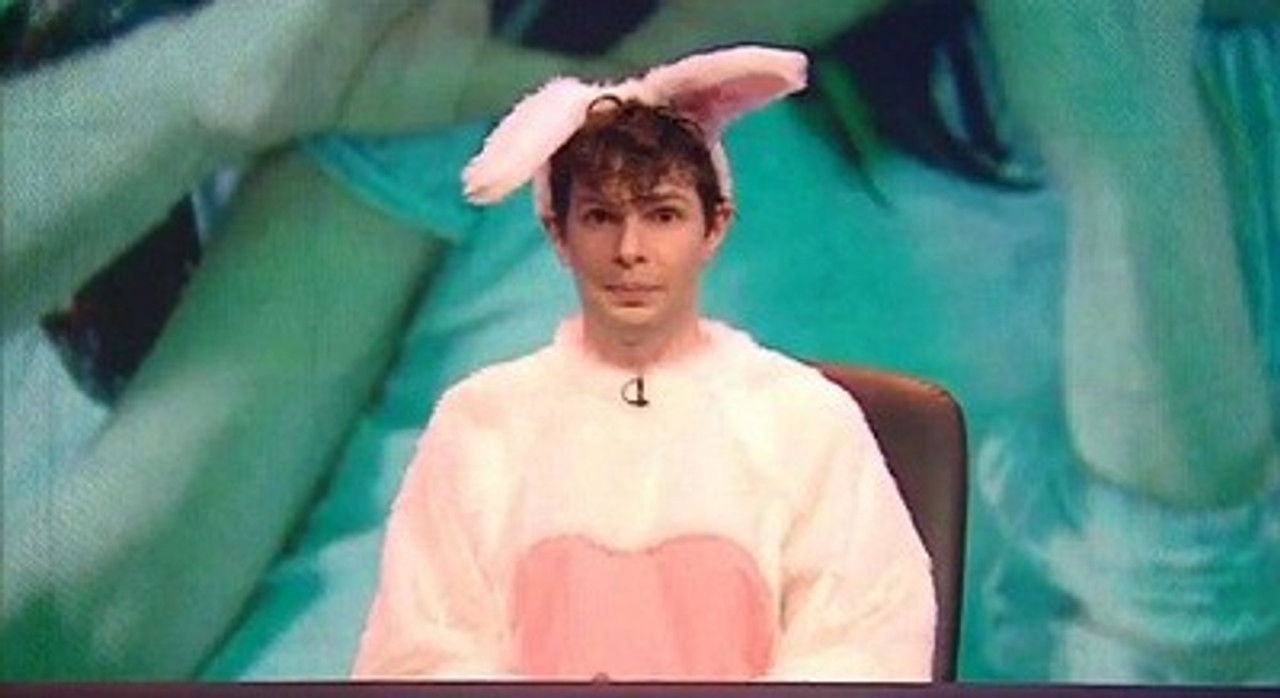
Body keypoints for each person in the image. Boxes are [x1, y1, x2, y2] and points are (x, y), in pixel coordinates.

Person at [351, 46, 935, 681]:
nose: (630, 250)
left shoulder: (805, 418)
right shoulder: (480, 422)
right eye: (601, 217)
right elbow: (419, 656)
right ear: (558, 232)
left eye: (662, 216)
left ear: (714, 227)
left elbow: (868, 648)